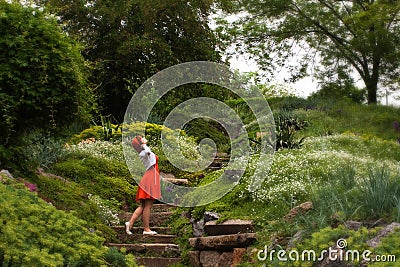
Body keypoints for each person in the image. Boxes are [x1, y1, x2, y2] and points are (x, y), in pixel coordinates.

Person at [125, 135, 161, 235]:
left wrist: (144, 144)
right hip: (150, 178)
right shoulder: (144, 152)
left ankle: (130, 223)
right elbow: (148, 152)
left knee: (144, 205)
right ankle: (146, 229)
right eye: (142, 139)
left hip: (149, 177)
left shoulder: (142, 153)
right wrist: (144, 144)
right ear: (140, 144)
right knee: (148, 205)